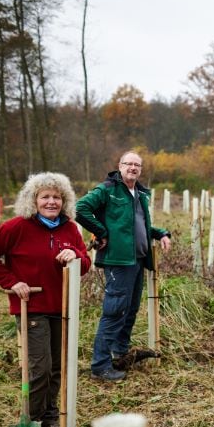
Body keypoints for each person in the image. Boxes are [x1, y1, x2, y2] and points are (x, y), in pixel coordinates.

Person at [0, 172, 91, 427]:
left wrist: (75, 256)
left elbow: (85, 264)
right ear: (34, 199)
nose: (51, 202)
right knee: (40, 368)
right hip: (32, 307)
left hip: (61, 308)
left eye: (57, 197)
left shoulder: (70, 229)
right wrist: (12, 281)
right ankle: (32, 423)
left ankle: (50, 419)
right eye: (45, 197)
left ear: (64, 201)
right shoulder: (17, 227)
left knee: (57, 368)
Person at [76, 151, 171, 382]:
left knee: (130, 310)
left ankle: (120, 352)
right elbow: (80, 209)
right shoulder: (107, 189)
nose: (133, 168)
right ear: (119, 166)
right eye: (128, 163)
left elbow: (139, 225)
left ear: (141, 169)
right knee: (115, 310)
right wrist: (101, 231)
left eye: (137, 165)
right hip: (118, 261)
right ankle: (100, 365)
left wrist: (161, 233)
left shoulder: (139, 193)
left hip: (137, 260)